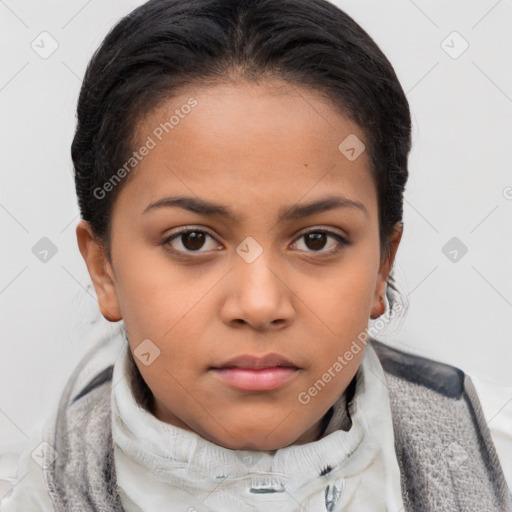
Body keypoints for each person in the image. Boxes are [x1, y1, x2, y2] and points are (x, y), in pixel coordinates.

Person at [2, 0, 510, 510]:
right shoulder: (36, 493)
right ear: (104, 269)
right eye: (193, 240)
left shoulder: (494, 462)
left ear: (382, 265)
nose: (260, 303)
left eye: (317, 240)